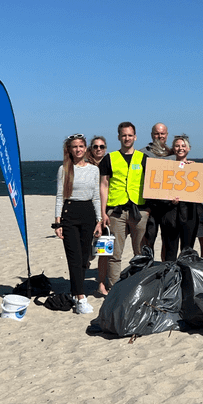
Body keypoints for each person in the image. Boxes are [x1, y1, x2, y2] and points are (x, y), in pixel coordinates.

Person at [98, 122, 149, 295]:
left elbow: (156, 183)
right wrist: (103, 212)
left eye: (130, 135)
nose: (127, 138)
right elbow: (103, 185)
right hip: (116, 211)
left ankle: (139, 287)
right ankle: (115, 288)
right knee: (115, 253)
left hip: (139, 210)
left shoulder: (143, 158)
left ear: (135, 137)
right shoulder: (109, 158)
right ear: (119, 137)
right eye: (123, 135)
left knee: (140, 251)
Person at [53, 134, 102, 314]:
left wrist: (99, 220)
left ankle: (75, 291)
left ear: (85, 148)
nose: (78, 149)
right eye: (75, 147)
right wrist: (57, 223)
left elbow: (96, 196)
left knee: (84, 258)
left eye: (81, 146)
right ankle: (81, 297)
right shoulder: (64, 169)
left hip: (88, 213)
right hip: (70, 214)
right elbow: (60, 196)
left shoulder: (94, 170)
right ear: (70, 149)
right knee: (73, 256)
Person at [159, 135, 199, 261]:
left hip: (189, 214)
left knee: (187, 250)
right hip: (170, 213)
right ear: (173, 148)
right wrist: (169, 199)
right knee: (170, 250)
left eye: (183, 145)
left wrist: (193, 169)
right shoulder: (167, 167)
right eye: (177, 145)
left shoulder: (195, 167)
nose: (180, 148)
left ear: (188, 148)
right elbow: (159, 190)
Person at [142, 122, 173, 250]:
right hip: (150, 206)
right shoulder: (142, 154)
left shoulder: (173, 154)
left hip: (169, 206)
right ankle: (147, 268)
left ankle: (165, 269)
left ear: (167, 135)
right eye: (157, 133)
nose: (159, 136)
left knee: (167, 242)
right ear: (151, 135)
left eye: (162, 133)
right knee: (148, 241)